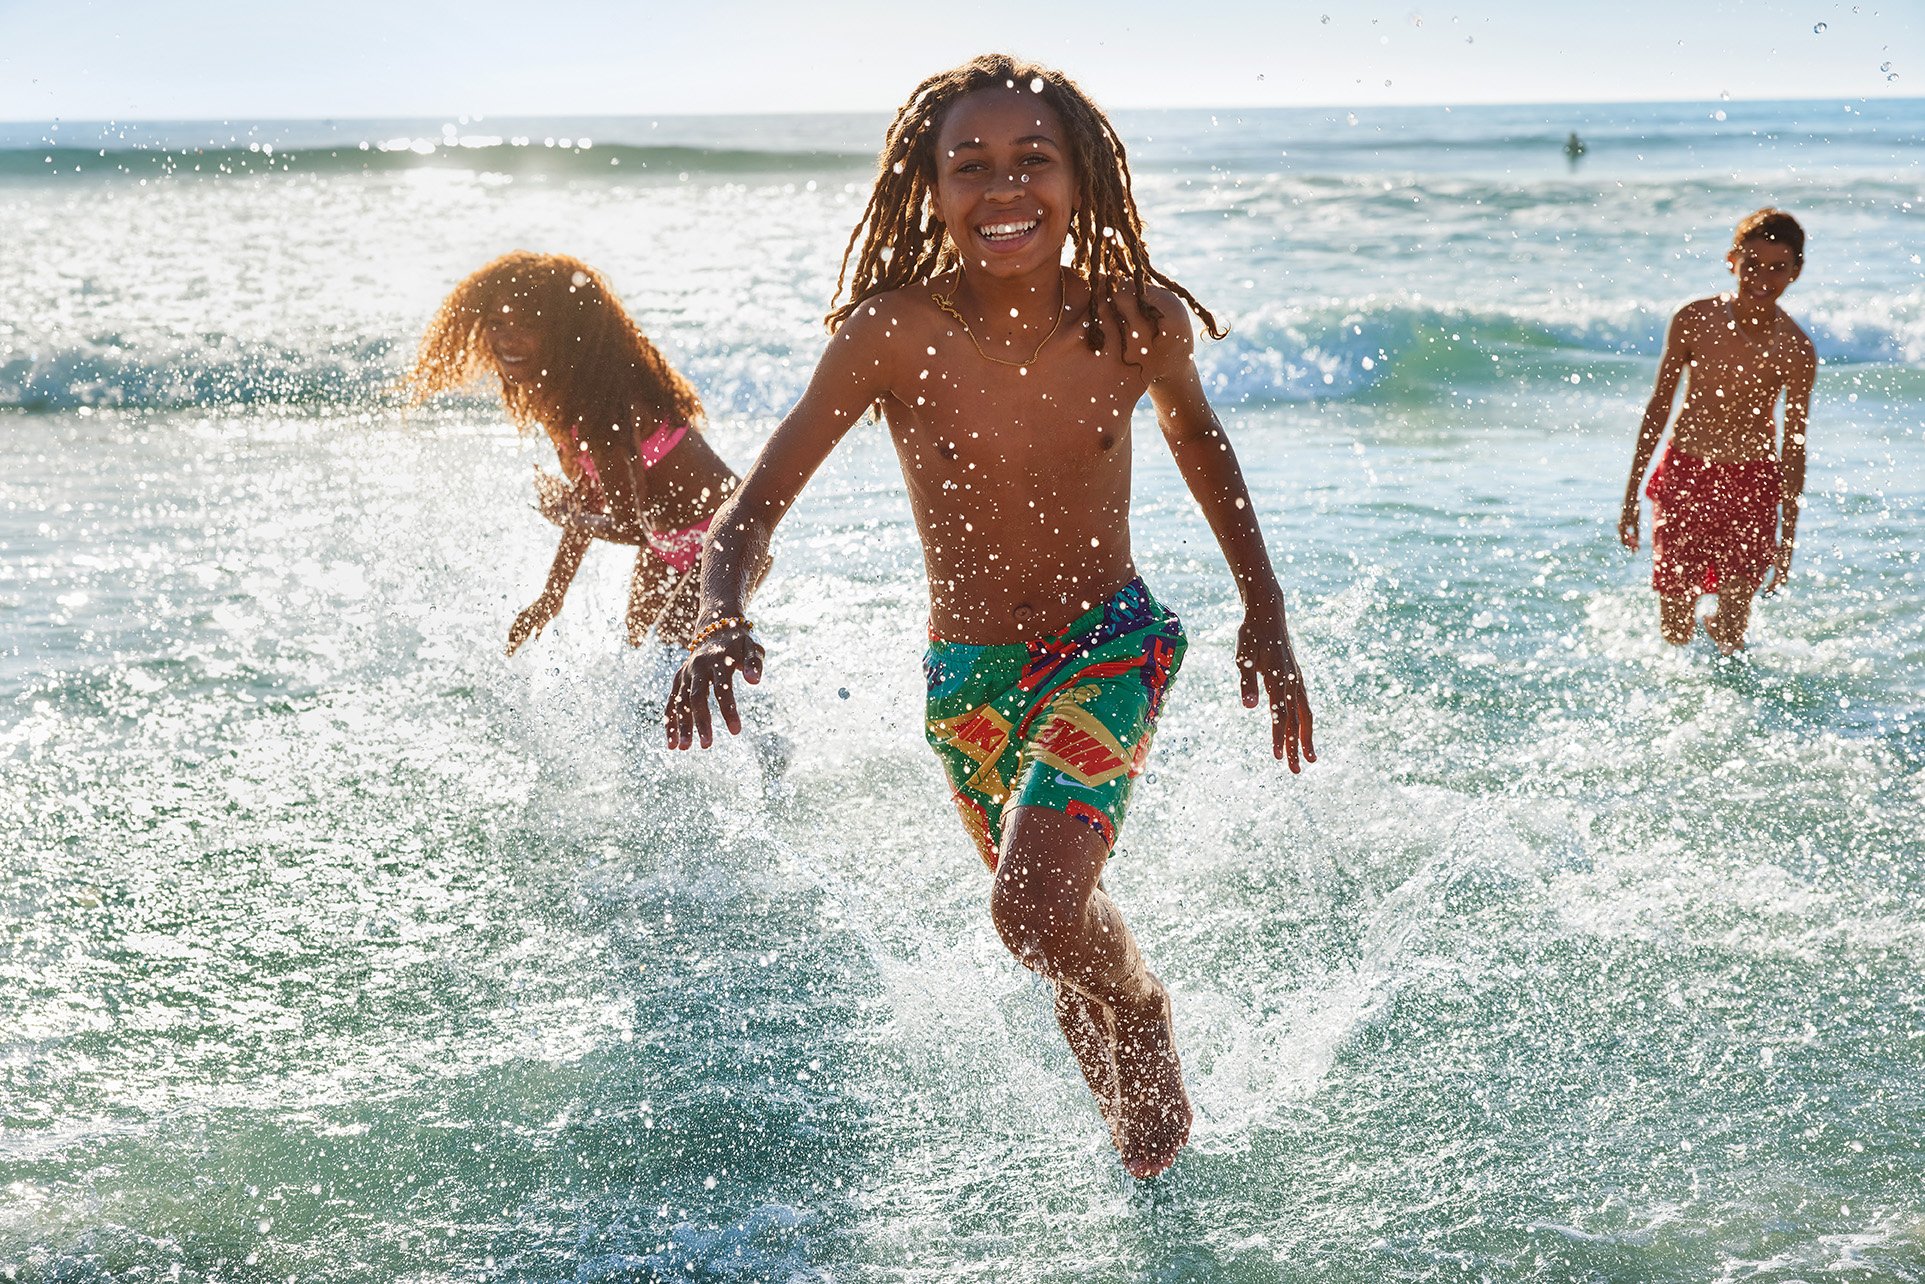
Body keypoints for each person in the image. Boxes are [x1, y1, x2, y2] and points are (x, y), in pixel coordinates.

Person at [662, 55, 1317, 1178]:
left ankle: (1144, 1005)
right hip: (967, 678)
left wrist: (1266, 613)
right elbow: (749, 510)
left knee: (1031, 908)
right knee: (1050, 939)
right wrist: (714, 615)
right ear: (927, 187)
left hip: (1108, 644)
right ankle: (1147, 1171)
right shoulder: (890, 334)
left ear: (1080, 182)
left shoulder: (1132, 322)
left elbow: (1201, 445)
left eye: (1032, 160)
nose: (1001, 186)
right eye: (969, 164)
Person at [407, 252, 755, 653]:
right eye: (496, 324)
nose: (507, 338)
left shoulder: (602, 413)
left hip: (726, 537)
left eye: (528, 324)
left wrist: (569, 516)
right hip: (669, 543)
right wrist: (551, 597)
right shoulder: (568, 403)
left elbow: (629, 528)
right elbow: (594, 497)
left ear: (564, 332)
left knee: (669, 660)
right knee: (646, 658)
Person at [1619, 208, 1815, 654]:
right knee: (1675, 631)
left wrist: (1787, 539)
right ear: (1732, 261)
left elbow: (1796, 444)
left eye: (1778, 268)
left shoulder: (1796, 349)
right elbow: (1658, 407)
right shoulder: (1693, 319)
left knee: (1730, 633)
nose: (1763, 278)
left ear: (1796, 272)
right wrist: (1631, 496)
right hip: (1686, 475)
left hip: (1753, 483)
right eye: (1753, 265)